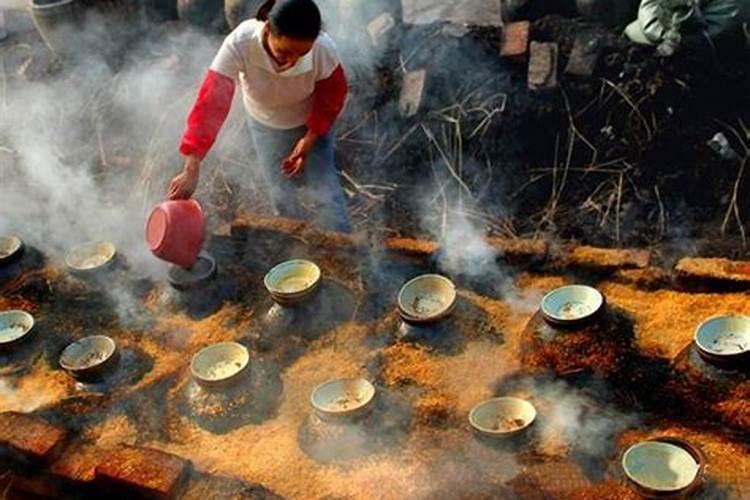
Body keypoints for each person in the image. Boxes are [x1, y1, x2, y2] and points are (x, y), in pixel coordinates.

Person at [169, 0, 352, 233]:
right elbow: (211, 103)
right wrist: (192, 166)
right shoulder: (241, 42)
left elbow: (332, 97)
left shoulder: (323, 49)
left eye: (302, 53)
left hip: (311, 124)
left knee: (325, 188)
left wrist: (310, 138)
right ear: (268, 30)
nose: (292, 61)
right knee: (279, 189)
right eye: (284, 52)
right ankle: (293, 240)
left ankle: (342, 247)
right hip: (264, 125)